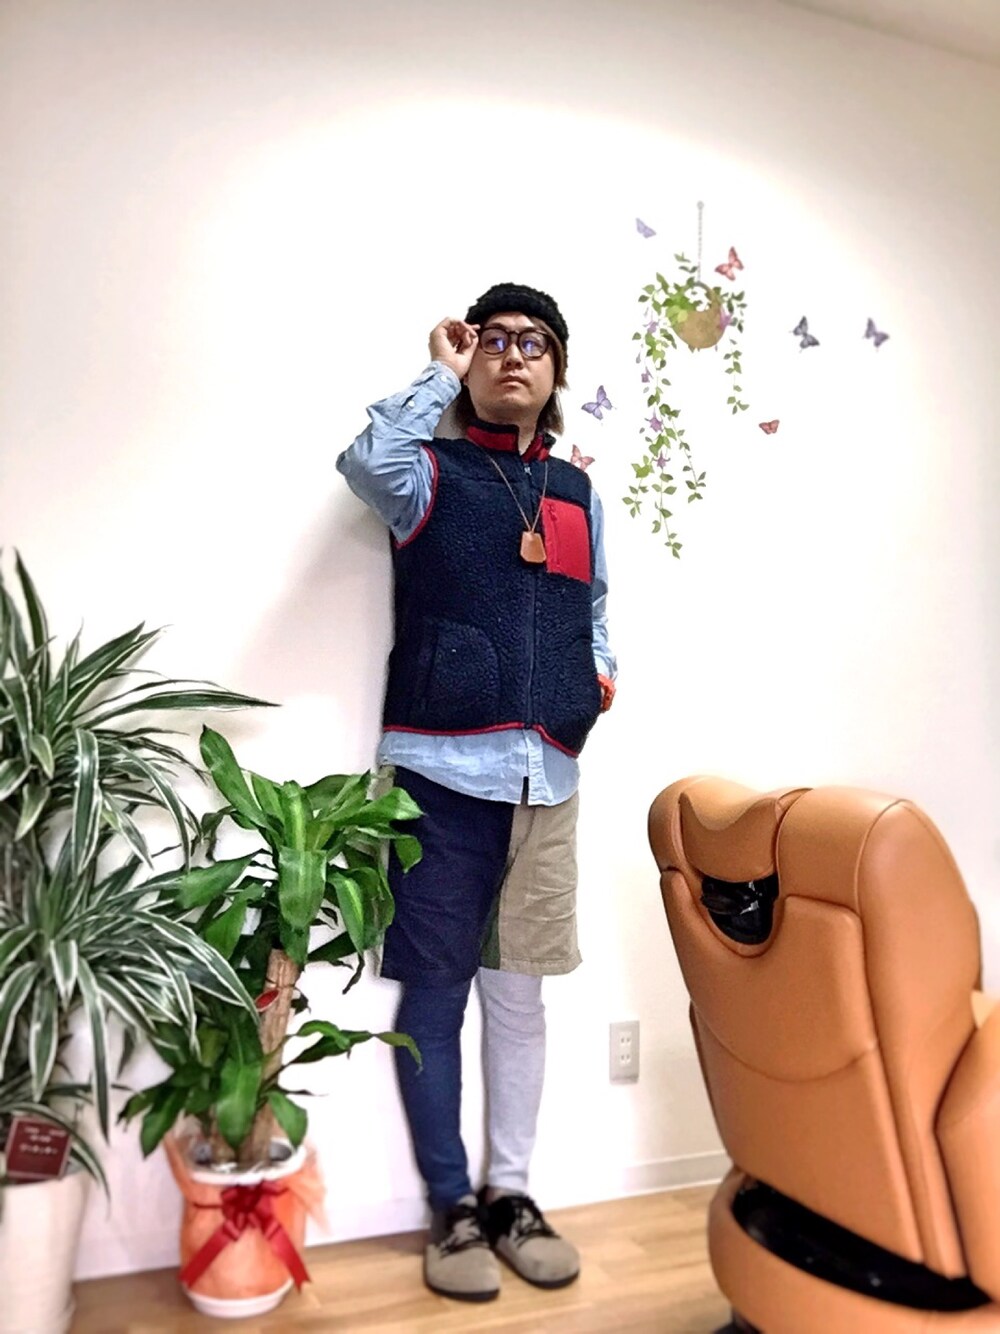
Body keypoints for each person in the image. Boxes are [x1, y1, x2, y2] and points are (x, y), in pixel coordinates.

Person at [337, 282, 616, 1303]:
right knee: (436, 991)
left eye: (533, 342)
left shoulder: (576, 490)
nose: (511, 355)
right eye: (492, 340)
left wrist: (597, 678)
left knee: (519, 995)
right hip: (440, 772)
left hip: (549, 775)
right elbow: (364, 462)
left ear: (556, 368)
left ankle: (512, 1195)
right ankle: (450, 1204)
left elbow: (592, 607)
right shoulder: (427, 471)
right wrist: (437, 372)